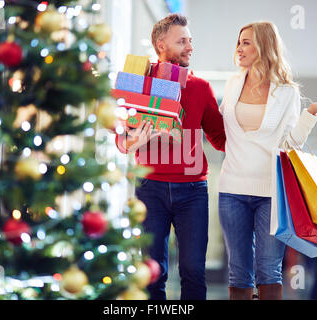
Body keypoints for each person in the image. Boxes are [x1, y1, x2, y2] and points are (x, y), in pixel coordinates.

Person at [217, 21, 317, 300]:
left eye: (246, 42)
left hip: (271, 192)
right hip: (231, 189)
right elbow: (220, 127)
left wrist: (311, 112)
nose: (239, 48)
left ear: (264, 46)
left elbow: (291, 143)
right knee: (238, 270)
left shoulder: (286, 91)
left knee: (269, 270)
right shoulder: (233, 83)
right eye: (239, 42)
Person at [115, 13, 226, 300]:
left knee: (192, 270)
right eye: (182, 41)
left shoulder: (200, 87)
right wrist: (131, 140)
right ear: (160, 44)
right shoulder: (139, 82)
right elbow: (121, 138)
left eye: (191, 41)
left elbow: (220, 137)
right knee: (153, 271)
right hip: (150, 188)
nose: (189, 47)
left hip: (192, 190)